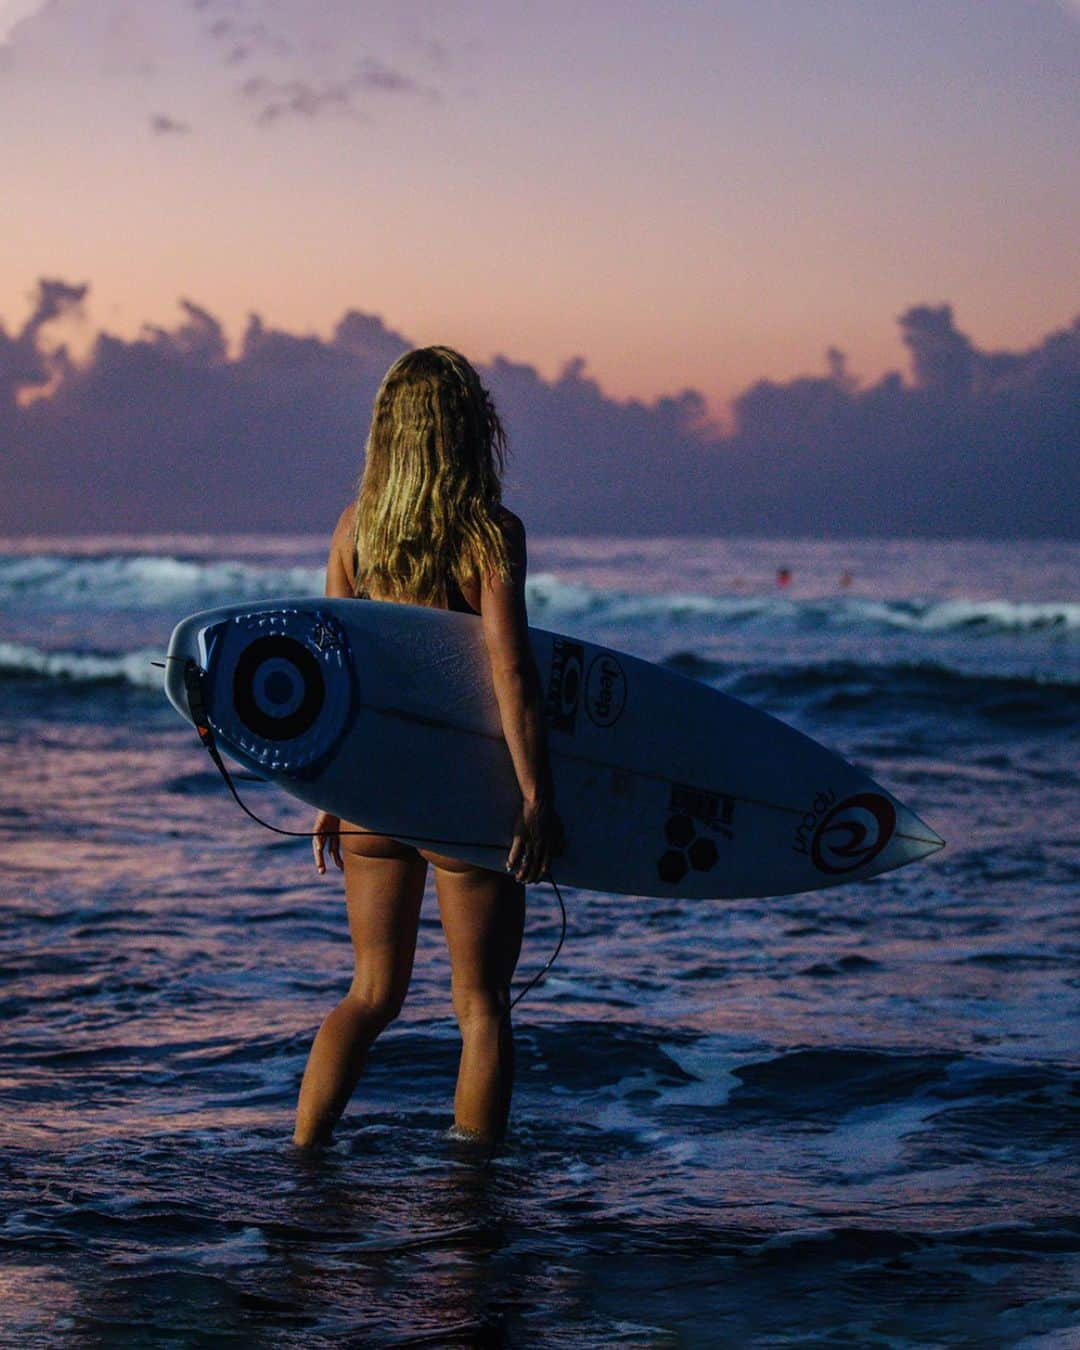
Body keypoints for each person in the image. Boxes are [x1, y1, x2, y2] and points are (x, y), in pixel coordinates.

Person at [292, 346, 561, 1153]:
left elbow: (329, 673)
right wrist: (538, 798)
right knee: (480, 1007)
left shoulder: (353, 528)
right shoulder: (490, 533)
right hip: (463, 801)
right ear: (469, 431)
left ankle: (303, 1156)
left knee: (370, 995)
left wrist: (331, 796)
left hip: (375, 794)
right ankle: (472, 1195)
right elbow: (511, 670)